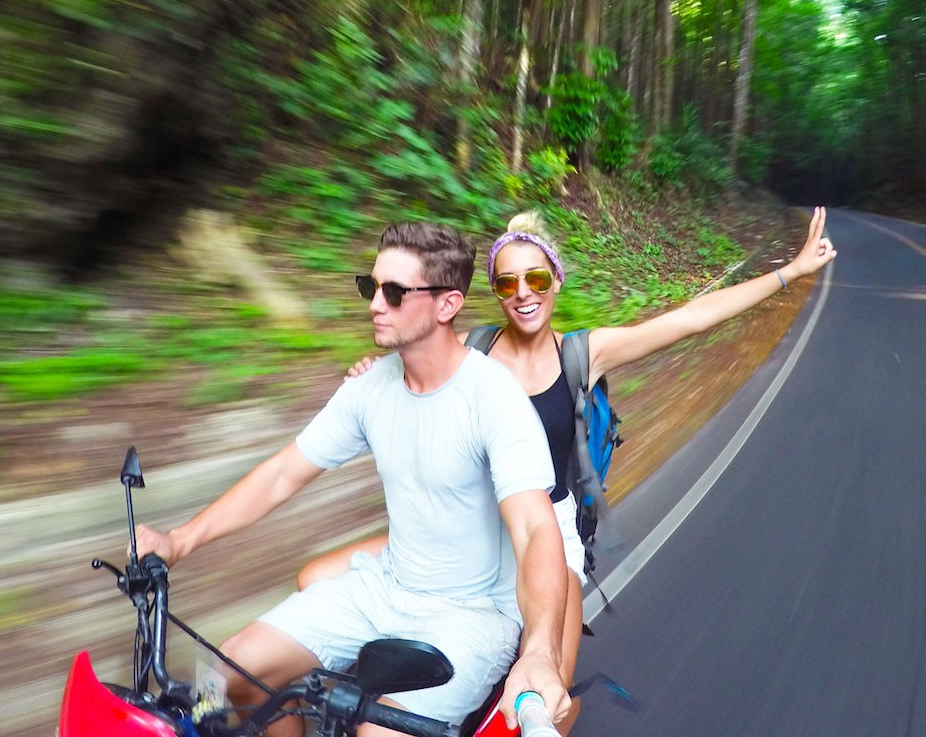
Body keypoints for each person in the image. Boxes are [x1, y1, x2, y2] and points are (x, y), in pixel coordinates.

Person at [298, 206, 837, 734]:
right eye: (507, 284)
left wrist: (791, 271)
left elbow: (692, 319)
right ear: (495, 293)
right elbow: (406, 363)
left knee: (547, 697)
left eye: (535, 277)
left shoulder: (583, 354)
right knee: (312, 578)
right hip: (465, 523)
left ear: (555, 278)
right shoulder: (471, 350)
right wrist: (372, 372)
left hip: (548, 527)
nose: (523, 293)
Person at [134, 221, 570, 736]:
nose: (374, 305)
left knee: (377, 734)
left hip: (471, 615)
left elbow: (537, 530)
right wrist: (180, 540)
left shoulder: (494, 397)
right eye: (371, 286)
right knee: (229, 674)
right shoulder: (372, 388)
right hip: (384, 586)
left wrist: (540, 649)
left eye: (394, 292)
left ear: (447, 305)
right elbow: (281, 474)